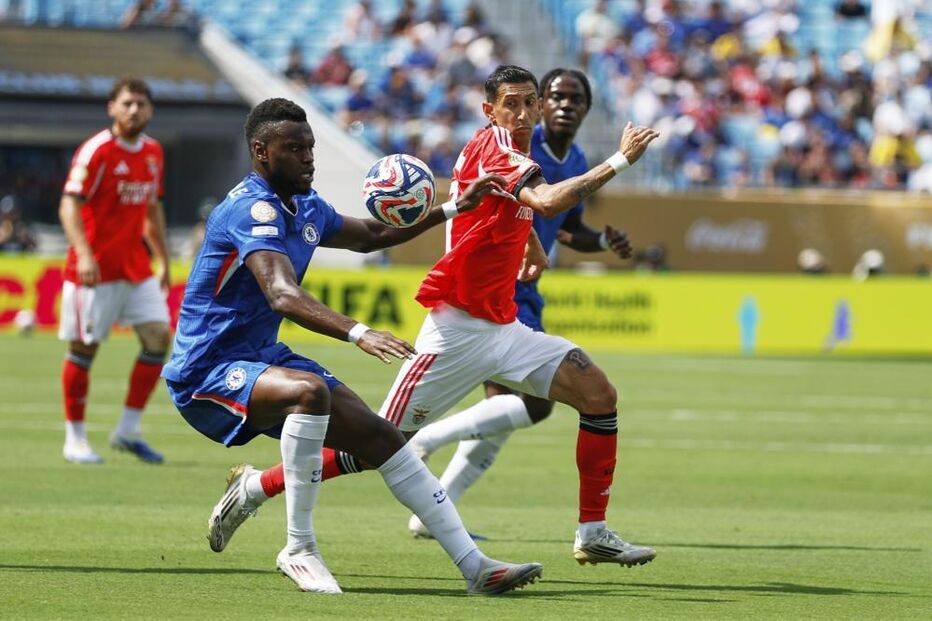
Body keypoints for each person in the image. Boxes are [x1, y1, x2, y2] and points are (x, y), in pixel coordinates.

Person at [218, 65, 660, 569]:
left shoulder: (517, 148)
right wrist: (621, 160)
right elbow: (544, 199)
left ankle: (593, 531)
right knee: (375, 444)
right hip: (456, 331)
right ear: (489, 110)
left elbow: (510, 208)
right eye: (509, 104)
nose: (520, 113)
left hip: (504, 326)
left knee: (598, 394)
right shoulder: (497, 147)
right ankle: (257, 486)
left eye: (527, 103)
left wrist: (532, 243)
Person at [162, 97, 541, 595]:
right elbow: (281, 294)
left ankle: (476, 567)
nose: (308, 157)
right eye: (293, 148)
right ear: (260, 151)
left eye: (310, 147)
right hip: (207, 370)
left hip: (260, 358)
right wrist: (358, 331)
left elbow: (373, 234)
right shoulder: (249, 208)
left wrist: (453, 205)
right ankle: (298, 549)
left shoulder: (306, 205)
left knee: (383, 438)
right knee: (309, 393)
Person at [403, 68, 636, 539]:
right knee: (534, 406)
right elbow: (539, 200)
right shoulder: (518, 146)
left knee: (505, 419)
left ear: (587, 109)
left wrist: (601, 243)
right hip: (497, 293)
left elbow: (566, 227)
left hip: (523, 290)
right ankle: (425, 437)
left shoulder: (573, 157)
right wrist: (622, 161)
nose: (562, 105)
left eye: (575, 98)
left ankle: (431, 515)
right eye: (554, 97)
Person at [58, 76, 170, 465]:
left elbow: (152, 209)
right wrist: (84, 254)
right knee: (84, 349)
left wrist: (163, 259)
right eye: (127, 103)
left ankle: (128, 430)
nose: (134, 110)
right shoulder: (96, 152)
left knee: (159, 338)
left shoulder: (154, 152)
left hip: (135, 268)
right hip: (95, 270)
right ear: (112, 108)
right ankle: (75, 439)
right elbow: (69, 205)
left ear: (150, 110)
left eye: (141, 103)